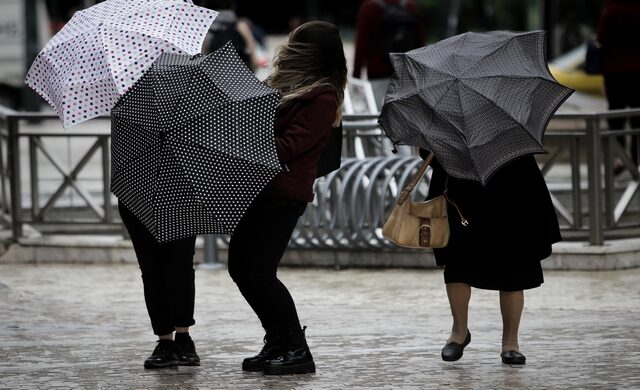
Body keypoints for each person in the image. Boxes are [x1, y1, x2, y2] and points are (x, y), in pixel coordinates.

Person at [227, 21, 347, 375]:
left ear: (309, 51)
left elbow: (291, 146)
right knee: (241, 268)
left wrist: (246, 140)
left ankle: (297, 348)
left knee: (260, 272)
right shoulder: (285, 86)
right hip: (258, 190)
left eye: (296, 43)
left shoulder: (323, 96)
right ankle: (277, 340)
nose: (288, 47)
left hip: (283, 194)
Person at [420, 151, 561, 365]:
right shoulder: (443, 119)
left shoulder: (506, 121)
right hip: (459, 193)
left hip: (511, 186)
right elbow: (428, 153)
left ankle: (510, 343)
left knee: (513, 266)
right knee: (457, 263)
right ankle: (459, 332)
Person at [118, 202, 200, 369]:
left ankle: (184, 338)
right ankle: (165, 342)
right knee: (151, 269)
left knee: (180, 265)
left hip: (181, 193)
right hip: (137, 194)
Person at [352, 0, 425, 110]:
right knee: (398, 116)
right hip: (404, 71)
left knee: (373, 113)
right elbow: (420, 42)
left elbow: (362, 44)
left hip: (377, 70)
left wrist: (356, 76)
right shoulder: (410, 6)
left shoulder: (369, 7)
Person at [596, 0, 640, 174]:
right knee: (637, 117)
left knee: (616, 117)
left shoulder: (611, 10)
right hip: (638, 73)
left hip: (615, 73)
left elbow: (601, 39)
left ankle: (620, 157)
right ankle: (636, 160)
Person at [199, 0, 258, 72]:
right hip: (240, 71)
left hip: (215, 73)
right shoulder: (240, 25)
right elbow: (252, 53)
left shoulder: (206, 28)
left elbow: (202, 54)